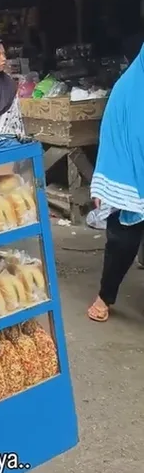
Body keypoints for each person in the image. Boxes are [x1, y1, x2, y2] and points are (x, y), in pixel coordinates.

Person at [88, 42, 144, 322]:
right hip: (131, 177)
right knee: (122, 241)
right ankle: (105, 295)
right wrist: (103, 183)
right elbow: (111, 138)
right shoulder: (126, 89)